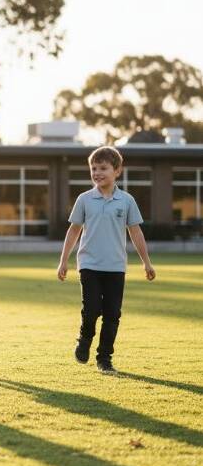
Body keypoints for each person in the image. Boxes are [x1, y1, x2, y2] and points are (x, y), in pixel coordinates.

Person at [57, 146, 155, 375]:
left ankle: (105, 358)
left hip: (116, 267)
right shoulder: (84, 199)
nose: (97, 172)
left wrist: (146, 262)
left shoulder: (126, 201)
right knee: (90, 309)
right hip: (89, 265)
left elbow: (136, 233)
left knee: (112, 314)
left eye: (103, 168)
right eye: (93, 168)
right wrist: (64, 261)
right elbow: (73, 231)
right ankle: (84, 338)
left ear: (117, 171)